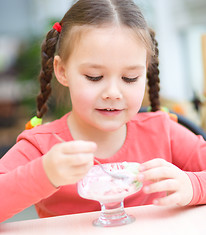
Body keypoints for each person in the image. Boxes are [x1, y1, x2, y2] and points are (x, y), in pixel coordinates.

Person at [1, 0, 206, 223]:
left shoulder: (162, 131)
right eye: (94, 77)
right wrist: (45, 173)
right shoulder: (41, 147)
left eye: (130, 78)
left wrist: (193, 186)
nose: (112, 93)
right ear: (62, 71)